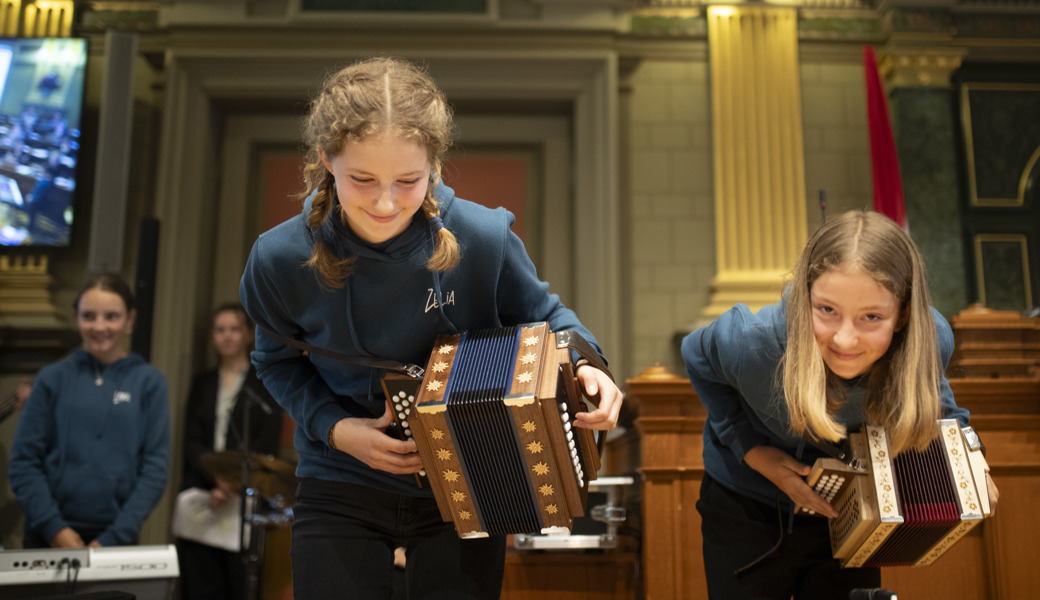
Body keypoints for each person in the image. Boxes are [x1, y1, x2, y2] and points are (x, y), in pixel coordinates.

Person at [239, 56, 624, 600]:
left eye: (409, 180)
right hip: (340, 478)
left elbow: (550, 318)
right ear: (326, 159)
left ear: (435, 165)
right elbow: (274, 362)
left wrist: (591, 366)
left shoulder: (482, 236)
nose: (385, 202)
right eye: (362, 180)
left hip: (472, 475)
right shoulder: (279, 257)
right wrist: (335, 428)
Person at [681, 209, 1000, 600]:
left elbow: (931, 387)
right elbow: (696, 357)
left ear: (901, 317)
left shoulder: (931, 338)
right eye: (827, 310)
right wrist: (752, 450)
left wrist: (971, 452)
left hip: (849, 508)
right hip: (746, 506)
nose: (845, 340)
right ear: (805, 297)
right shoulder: (751, 341)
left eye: (871, 317)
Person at [9, 272, 170, 548]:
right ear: (76, 318)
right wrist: (55, 529)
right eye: (89, 316)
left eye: (111, 316)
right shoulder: (50, 378)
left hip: (116, 539)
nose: (99, 326)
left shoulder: (149, 382)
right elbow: (24, 462)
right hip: (47, 536)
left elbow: (155, 469)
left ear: (130, 319)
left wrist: (113, 538)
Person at [175, 302, 284, 600]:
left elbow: (266, 444)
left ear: (248, 335)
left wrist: (233, 482)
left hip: (243, 499)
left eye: (234, 329)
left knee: (238, 584)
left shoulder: (262, 385)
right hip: (203, 493)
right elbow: (192, 440)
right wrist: (215, 480)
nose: (227, 336)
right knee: (198, 582)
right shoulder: (203, 382)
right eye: (220, 329)